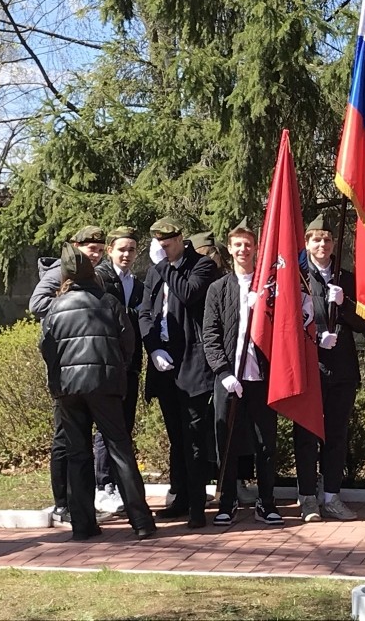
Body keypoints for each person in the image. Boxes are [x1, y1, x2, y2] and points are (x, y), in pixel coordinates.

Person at [40, 244, 157, 541]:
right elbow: (127, 343)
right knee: (119, 449)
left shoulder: (55, 307)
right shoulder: (109, 302)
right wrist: (116, 369)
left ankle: (82, 526)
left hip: (68, 390)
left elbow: (47, 349)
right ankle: (141, 522)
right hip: (105, 385)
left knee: (78, 455)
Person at [138, 217, 219, 528]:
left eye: (168, 241)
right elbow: (146, 311)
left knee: (194, 436)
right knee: (176, 437)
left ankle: (197, 505)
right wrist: (153, 348)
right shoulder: (156, 270)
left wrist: (168, 267)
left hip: (192, 364)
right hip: (164, 363)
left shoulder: (201, 265)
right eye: (159, 241)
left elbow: (188, 294)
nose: (163, 246)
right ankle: (180, 497)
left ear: (180, 239)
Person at [203, 220, 283, 526]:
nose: (242, 250)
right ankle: (227, 501)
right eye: (237, 244)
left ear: (256, 248)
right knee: (227, 442)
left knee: (266, 443)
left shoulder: (269, 288)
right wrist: (223, 372)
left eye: (248, 244)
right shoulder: (217, 289)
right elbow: (209, 334)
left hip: (261, 378)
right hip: (229, 379)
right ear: (229, 248)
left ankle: (267, 501)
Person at [29, 225, 110, 527]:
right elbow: (36, 304)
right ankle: (61, 502)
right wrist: (74, 308)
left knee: (80, 441)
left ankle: (81, 503)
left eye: (100, 250)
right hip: (65, 369)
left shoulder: (97, 275)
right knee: (64, 438)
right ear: (76, 247)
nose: (96, 254)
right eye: (91, 249)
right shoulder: (57, 274)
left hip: (87, 367)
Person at [294, 214, 365, 523]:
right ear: (307, 243)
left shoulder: (347, 278)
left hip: (341, 369)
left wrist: (346, 304)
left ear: (333, 243)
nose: (322, 244)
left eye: (327, 239)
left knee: (337, 434)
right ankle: (308, 498)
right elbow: (287, 325)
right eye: (316, 239)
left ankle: (332, 496)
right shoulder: (297, 278)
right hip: (310, 368)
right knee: (307, 433)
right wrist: (314, 338)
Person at [93, 227, 144, 515]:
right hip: (107, 365)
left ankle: (120, 483)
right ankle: (104, 486)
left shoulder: (136, 284)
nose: (126, 254)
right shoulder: (101, 278)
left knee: (124, 426)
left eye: (131, 250)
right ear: (110, 249)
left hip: (130, 365)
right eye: (121, 249)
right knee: (106, 428)